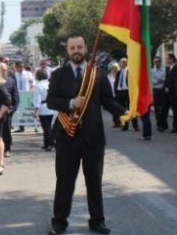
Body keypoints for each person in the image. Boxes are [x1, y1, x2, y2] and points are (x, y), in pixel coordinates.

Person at [47, 35, 128, 235]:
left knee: (94, 182)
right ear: (67, 50)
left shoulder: (97, 74)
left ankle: (97, 221)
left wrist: (126, 113)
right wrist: (70, 103)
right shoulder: (59, 75)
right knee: (64, 182)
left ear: (86, 48)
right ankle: (59, 222)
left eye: (80, 47)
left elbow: (108, 101)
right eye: (72, 47)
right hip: (67, 136)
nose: (76, 50)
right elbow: (51, 101)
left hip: (93, 138)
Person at [32, 68, 56, 150]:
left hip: (43, 108)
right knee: (48, 126)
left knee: (46, 127)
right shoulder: (49, 83)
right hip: (51, 106)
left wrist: (36, 111)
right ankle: (46, 143)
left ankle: (50, 144)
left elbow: (37, 100)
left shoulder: (38, 86)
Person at [0, 63, 20, 156]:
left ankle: (6, 149)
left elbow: (15, 96)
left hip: (7, 111)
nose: (3, 72)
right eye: (1, 70)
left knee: (6, 131)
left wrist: (12, 110)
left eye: (4, 70)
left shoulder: (11, 81)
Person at [114, 58, 138, 132]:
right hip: (119, 92)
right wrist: (116, 91)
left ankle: (135, 125)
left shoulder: (130, 71)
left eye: (123, 62)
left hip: (127, 91)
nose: (121, 64)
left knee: (131, 109)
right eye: (120, 62)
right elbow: (116, 82)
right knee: (122, 109)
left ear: (126, 63)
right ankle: (125, 125)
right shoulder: (118, 72)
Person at [151, 56, 169, 133]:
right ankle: (159, 124)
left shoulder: (164, 70)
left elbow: (165, 80)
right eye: (155, 62)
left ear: (160, 62)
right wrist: (160, 79)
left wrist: (158, 80)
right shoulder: (151, 71)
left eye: (158, 61)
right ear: (153, 63)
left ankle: (164, 124)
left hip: (163, 90)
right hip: (155, 91)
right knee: (157, 109)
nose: (156, 63)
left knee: (164, 108)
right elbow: (152, 81)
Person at [166, 54, 177, 133]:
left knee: (175, 110)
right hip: (167, 93)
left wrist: (169, 87)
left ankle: (176, 127)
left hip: (174, 93)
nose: (166, 60)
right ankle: (163, 125)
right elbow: (166, 79)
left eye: (168, 58)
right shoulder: (167, 68)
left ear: (172, 59)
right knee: (164, 109)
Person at [105, 62, 120, 128]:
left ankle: (121, 122)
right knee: (114, 109)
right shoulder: (108, 76)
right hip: (111, 94)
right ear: (110, 69)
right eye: (113, 68)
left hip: (118, 94)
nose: (114, 69)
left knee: (119, 108)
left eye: (115, 68)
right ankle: (116, 122)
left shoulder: (119, 76)